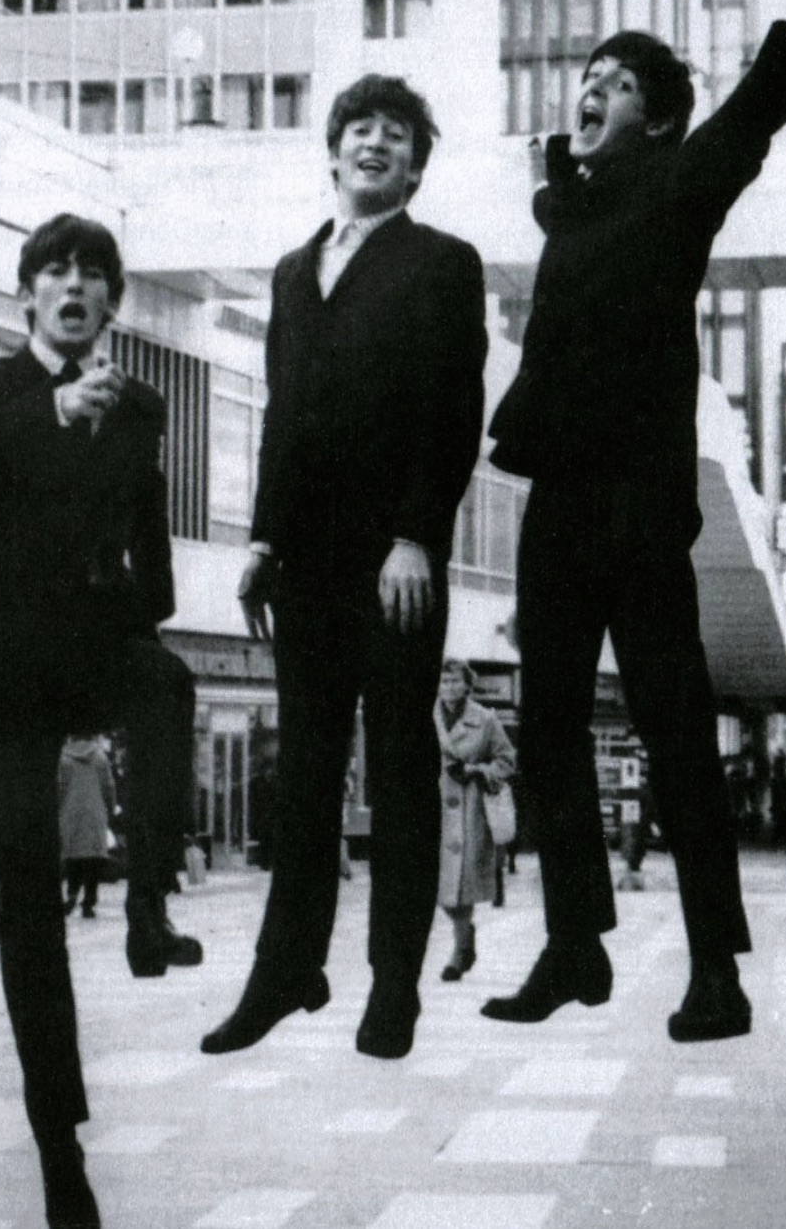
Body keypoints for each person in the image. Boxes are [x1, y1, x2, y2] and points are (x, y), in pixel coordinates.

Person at [481, 0, 786, 1043]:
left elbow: (755, 111)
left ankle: (715, 972)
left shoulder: (677, 188)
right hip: (555, 503)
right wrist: (551, 178)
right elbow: (557, 210)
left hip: (634, 507)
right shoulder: (570, 210)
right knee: (543, 727)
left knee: (674, 734)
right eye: (586, 76)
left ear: (661, 119)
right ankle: (573, 945)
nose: (590, 89)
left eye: (617, 82)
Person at [201, 74, 488, 1061]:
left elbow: (453, 410)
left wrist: (416, 535)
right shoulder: (292, 272)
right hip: (305, 564)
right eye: (359, 129)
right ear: (332, 152)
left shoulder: (442, 263)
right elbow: (280, 415)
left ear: (415, 167)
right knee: (304, 772)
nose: (375, 143)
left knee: (400, 766)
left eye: (396, 134)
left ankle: (392, 986)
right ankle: (288, 969)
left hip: (394, 561)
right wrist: (260, 541)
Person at [0, 213, 201, 1229]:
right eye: (57, 271)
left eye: (95, 273)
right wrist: (53, 413)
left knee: (167, 683)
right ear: (28, 296)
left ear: (111, 303)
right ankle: (60, 1147)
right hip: (10, 662)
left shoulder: (138, 406)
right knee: (30, 906)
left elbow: (151, 536)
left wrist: (140, 607)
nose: (76, 285)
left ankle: (147, 911)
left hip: (95, 643)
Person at [434, 660, 515, 982]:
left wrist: (478, 771)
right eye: (444, 681)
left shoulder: (485, 719)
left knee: (461, 886)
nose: (449, 687)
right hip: (433, 809)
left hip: (469, 812)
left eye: (455, 681)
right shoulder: (426, 715)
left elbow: (507, 760)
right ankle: (465, 934)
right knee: (436, 886)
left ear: (467, 685)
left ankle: (458, 952)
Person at [58, 735, 117, 919]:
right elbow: (109, 786)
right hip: (95, 812)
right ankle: (89, 902)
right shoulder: (100, 756)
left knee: (73, 857)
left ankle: (72, 892)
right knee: (93, 858)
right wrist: (110, 808)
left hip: (70, 813)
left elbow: (58, 787)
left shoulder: (63, 758)